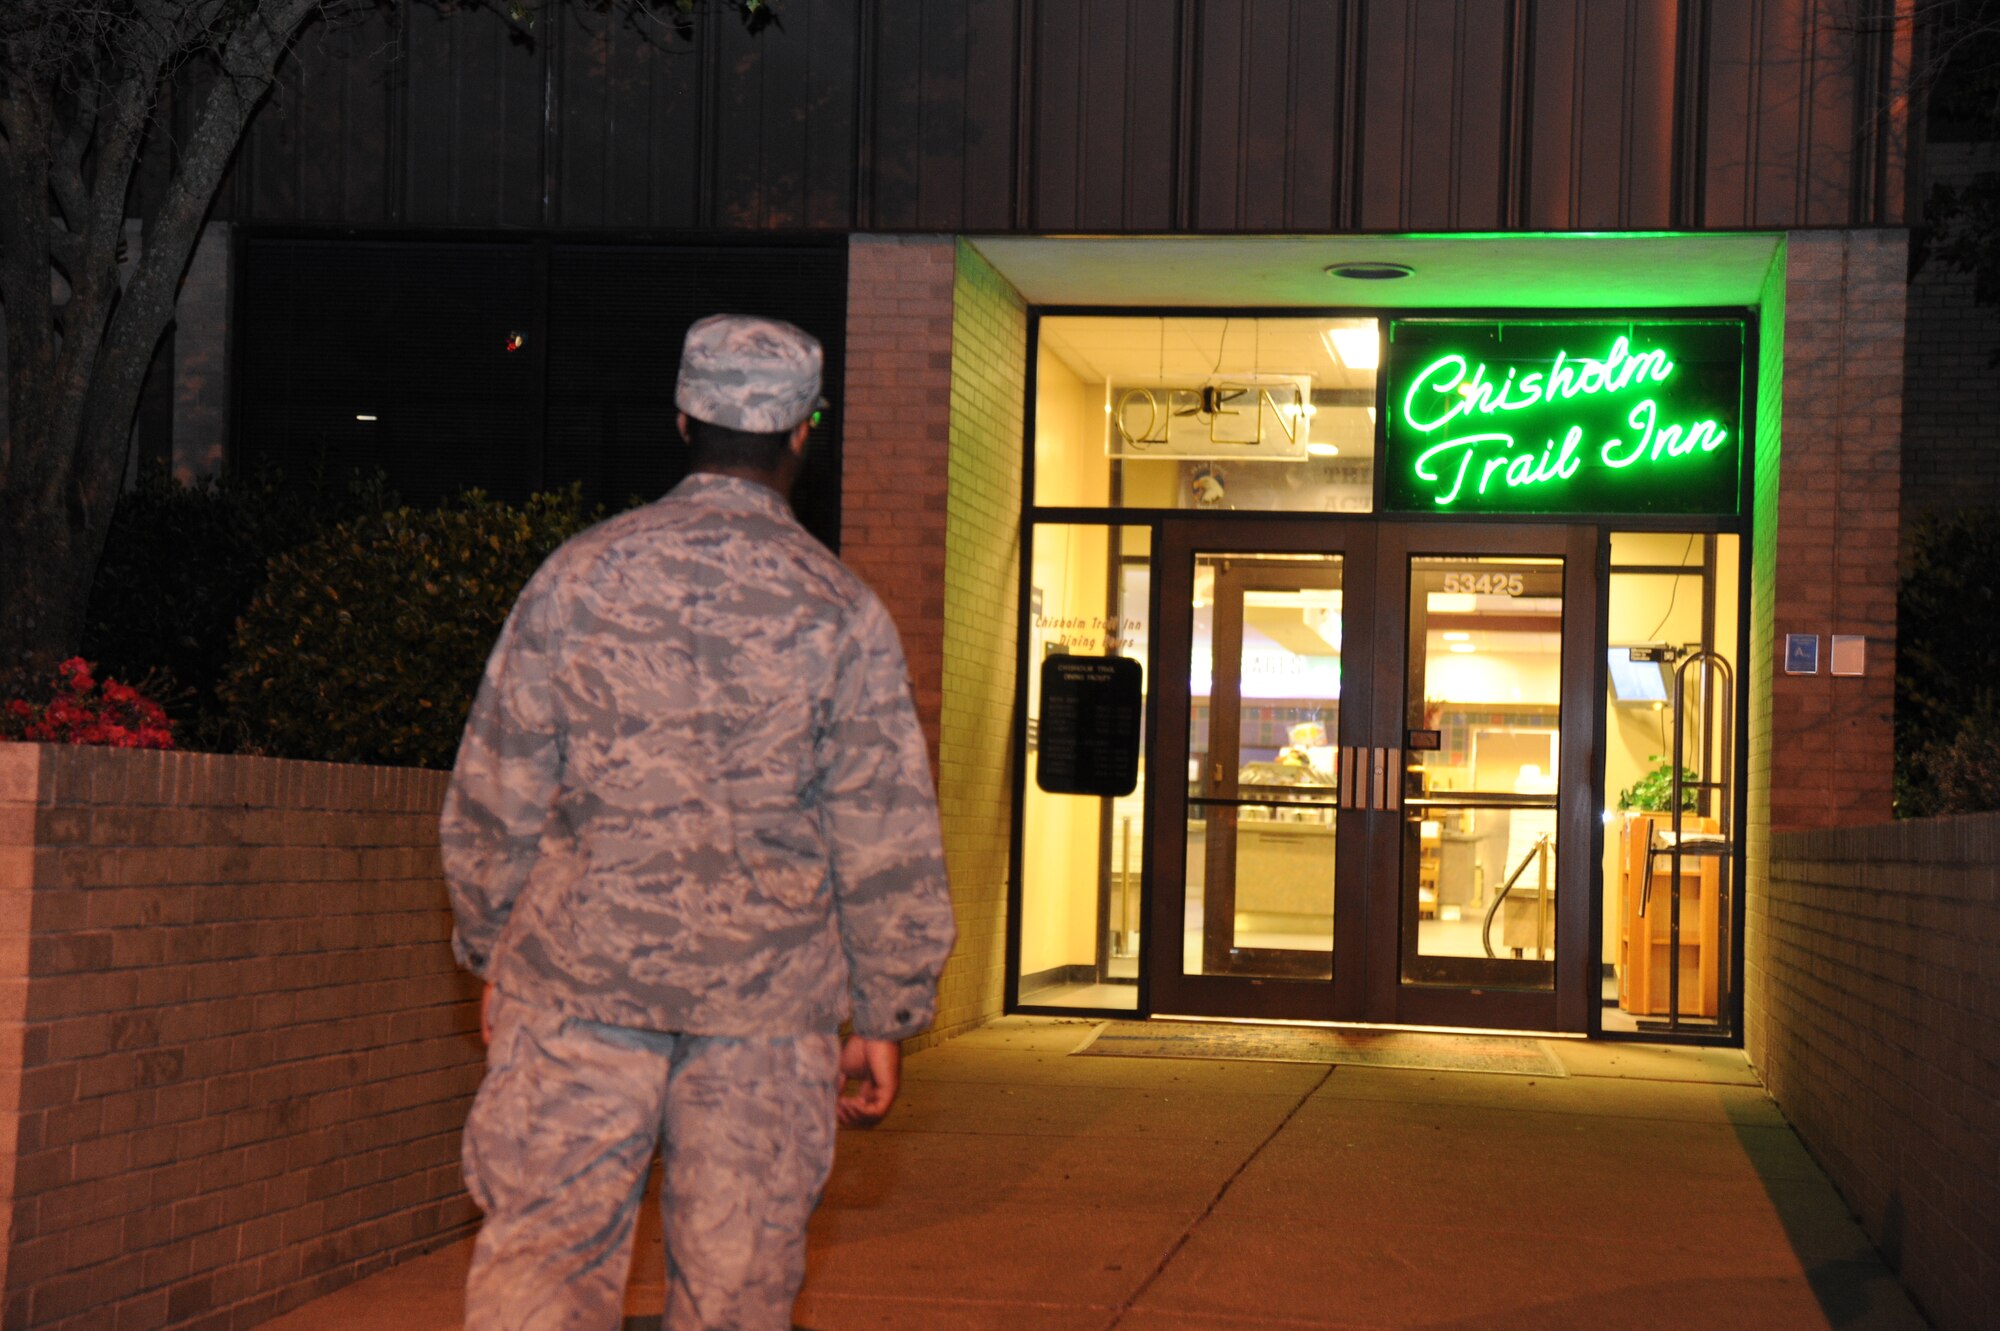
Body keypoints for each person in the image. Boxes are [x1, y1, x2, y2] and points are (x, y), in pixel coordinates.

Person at [440, 313, 956, 1330]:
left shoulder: (577, 578)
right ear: (805, 429)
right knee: (735, 1292)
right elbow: (882, 828)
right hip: (766, 1014)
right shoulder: (838, 610)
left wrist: (493, 946)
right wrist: (886, 1009)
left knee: (541, 1269)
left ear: (681, 416)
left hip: (577, 987)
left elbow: (495, 785)